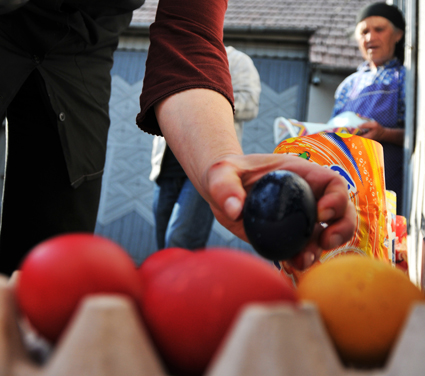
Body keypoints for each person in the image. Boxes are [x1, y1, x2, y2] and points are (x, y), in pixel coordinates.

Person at [0, 0, 355, 276]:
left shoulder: (239, 61)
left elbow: (188, 35)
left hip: (81, 46)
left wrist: (220, 163)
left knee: (54, 256)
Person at [150, 46, 261, 250]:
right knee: (162, 246)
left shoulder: (236, 60)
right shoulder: (178, 57)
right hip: (167, 167)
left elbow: (250, 103)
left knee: (180, 242)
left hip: (207, 167)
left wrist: (205, 98)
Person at [330, 2, 406, 213]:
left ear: (398, 35)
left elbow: (417, 137)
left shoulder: (405, 78)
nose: (370, 38)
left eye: (379, 30)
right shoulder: (348, 85)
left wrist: (383, 134)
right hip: (349, 186)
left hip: (389, 186)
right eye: (364, 32)